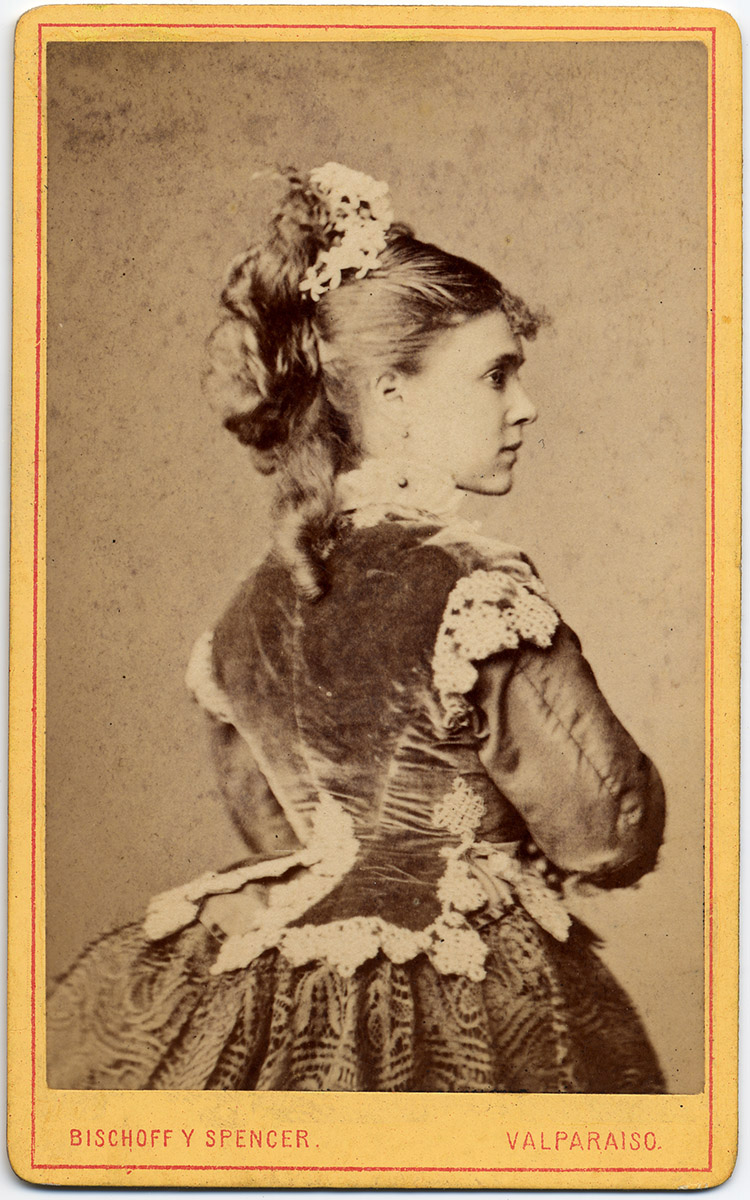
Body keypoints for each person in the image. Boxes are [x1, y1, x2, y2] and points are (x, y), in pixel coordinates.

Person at [48, 162, 666, 1093]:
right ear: (390, 394)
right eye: (495, 374)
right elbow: (606, 831)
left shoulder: (241, 617)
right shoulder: (475, 590)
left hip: (283, 983)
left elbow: (272, 831)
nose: (525, 406)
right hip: (466, 989)